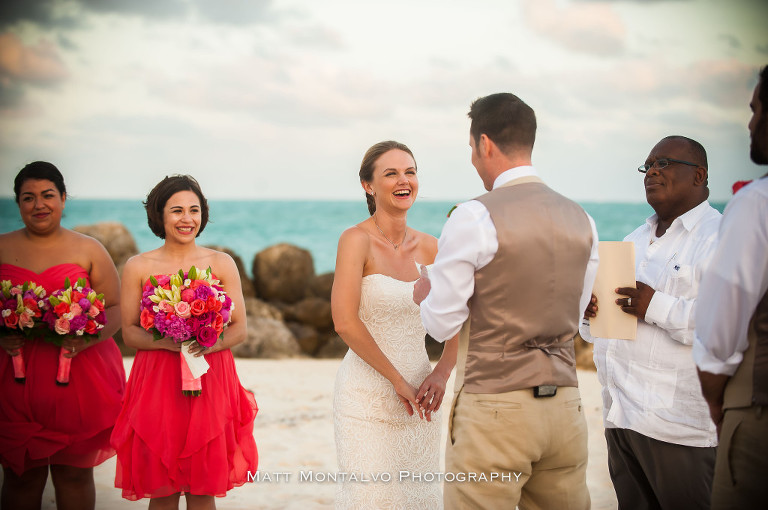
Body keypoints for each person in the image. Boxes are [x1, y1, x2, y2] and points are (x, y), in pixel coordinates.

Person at [413, 93, 598, 509]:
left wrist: (426, 293)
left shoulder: (475, 215)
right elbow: (580, 308)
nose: (474, 160)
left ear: (485, 144)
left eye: (471, 149)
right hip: (566, 405)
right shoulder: (581, 217)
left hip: (496, 408)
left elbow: (441, 324)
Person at [581, 136, 721, 509]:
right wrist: (590, 313)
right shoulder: (634, 240)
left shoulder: (719, 238)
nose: (653, 171)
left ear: (699, 175)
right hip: (621, 417)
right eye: (648, 165)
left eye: (664, 162)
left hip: (678, 429)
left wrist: (654, 305)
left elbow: (723, 328)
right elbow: (609, 329)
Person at [111, 175, 257, 509]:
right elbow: (130, 332)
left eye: (194, 210)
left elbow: (239, 330)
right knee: (160, 489)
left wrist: (204, 344)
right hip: (157, 380)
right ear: (159, 215)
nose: (187, 218)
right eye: (177, 210)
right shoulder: (137, 266)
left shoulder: (220, 263)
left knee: (202, 489)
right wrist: (167, 343)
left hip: (210, 377)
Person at [332, 141, 458, 509]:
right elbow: (344, 321)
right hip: (364, 398)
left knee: (418, 498)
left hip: (422, 398)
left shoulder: (434, 247)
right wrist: (395, 379)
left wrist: (442, 372)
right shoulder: (355, 240)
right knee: (371, 499)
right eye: (391, 173)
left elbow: (459, 320)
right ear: (367, 186)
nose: (404, 181)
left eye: (410, 172)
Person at [0, 161, 126, 510]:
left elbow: (114, 308)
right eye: (28, 197)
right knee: (20, 475)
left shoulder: (89, 249)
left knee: (74, 474)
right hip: (11, 382)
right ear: (18, 203)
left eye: (48, 195)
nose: (39, 204)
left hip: (78, 378)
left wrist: (86, 340)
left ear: (64, 199)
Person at [694, 66, 768, 508]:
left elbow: (719, 334)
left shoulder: (757, 203)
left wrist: (721, 405)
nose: (751, 123)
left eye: (758, 109)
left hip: (758, 405)